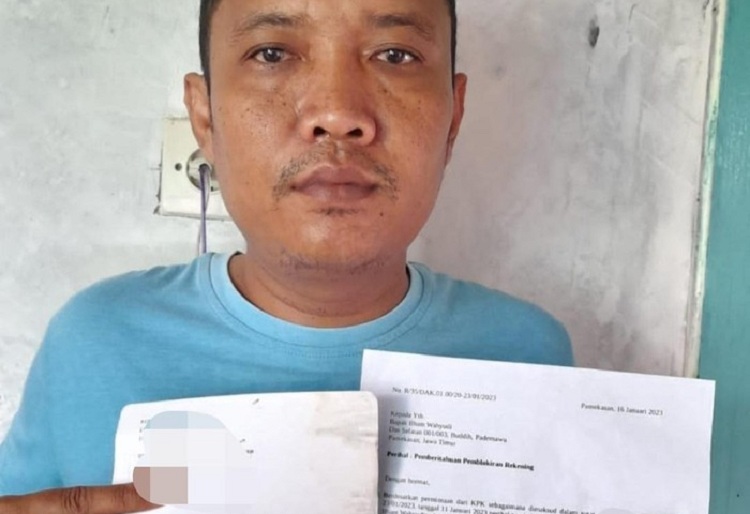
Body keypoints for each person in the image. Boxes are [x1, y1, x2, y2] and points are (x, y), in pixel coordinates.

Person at [0, 0, 573, 512]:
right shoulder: (95, 342)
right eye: (272, 53)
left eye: (395, 55)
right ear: (205, 117)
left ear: (453, 117)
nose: (337, 112)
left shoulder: (528, 355)